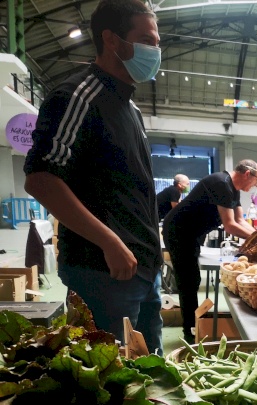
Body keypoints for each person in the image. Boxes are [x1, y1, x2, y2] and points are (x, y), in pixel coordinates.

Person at [23, 0, 164, 353]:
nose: (155, 50)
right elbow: (41, 178)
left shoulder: (130, 108)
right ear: (112, 40)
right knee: (111, 382)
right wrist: (110, 242)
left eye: (158, 43)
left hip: (144, 273)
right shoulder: (77, 97)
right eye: (147, 40)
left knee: (155, 379)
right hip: (104, 274)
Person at [162, 160, 257, 342]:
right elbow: (230, 225)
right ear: (248, 174)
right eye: (256, 180)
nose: (255, 185)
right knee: (189, 282)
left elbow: (240, 221)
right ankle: (190, 332)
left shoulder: (233, 189)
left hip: (191, 234)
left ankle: (195, 325)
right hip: (179, 232)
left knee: (193, 279)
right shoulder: (221, 183)